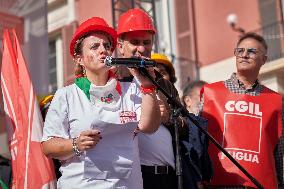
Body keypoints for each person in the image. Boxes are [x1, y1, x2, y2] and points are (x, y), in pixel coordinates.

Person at [41, 16, 161, 189]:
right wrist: (76, 144)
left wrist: (148, 86)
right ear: (79, 59)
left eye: (107, 46)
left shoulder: (131, 90)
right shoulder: (66, 95)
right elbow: (48, 146)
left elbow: (150, 127)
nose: (103, 50)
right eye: (94, 46)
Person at [200, 32, 283, 189]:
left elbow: (278, 152)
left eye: (251, 51)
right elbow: (198, 139)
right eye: (240, 50)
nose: (244, 55)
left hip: (260, 185)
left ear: (263, 60)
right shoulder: (211, 93)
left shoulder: (275, 101)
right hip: (218, 184)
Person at [116, 10, 179, 189]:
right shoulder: (112, 80)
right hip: (134, 175)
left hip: (169, 176)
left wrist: (169, 118)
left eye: (146, 42)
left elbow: (186, 125)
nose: (142, 49)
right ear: (120, 46)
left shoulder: (163, 83)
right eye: (135, 42)